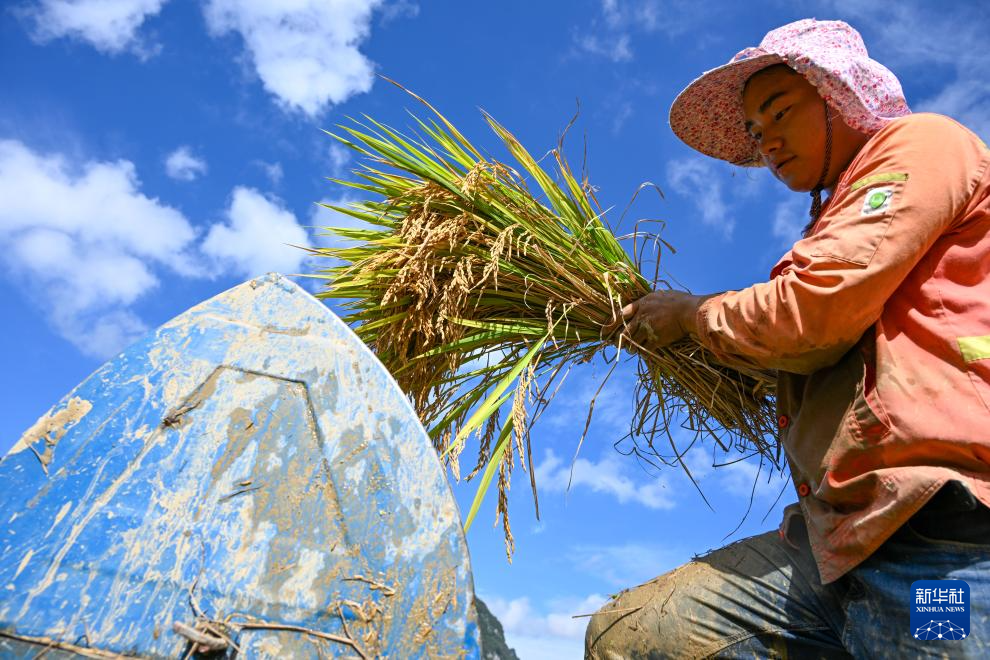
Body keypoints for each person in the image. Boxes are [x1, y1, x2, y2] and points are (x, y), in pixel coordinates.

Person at [585, 18, 990, 659]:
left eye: (779, 111)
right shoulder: (833, 219)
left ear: (838, 93)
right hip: (840, 538)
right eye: (754, 130)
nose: (766, 140)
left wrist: (693, 315)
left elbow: (810, 313)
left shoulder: (922, 146)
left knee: (935, 644)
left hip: (937, 537)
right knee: (632, 637)